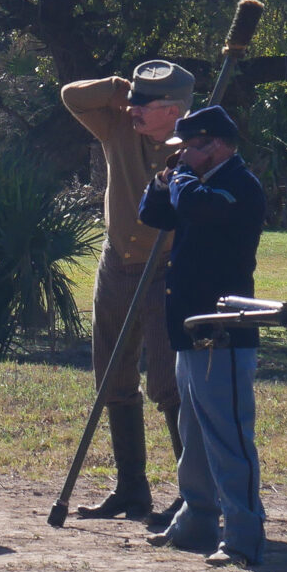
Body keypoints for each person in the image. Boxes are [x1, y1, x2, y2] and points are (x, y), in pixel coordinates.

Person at [60, 60, 194, 521]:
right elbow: (72, 96)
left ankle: (193, 495)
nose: (132, 109)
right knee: (112, 380)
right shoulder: (118, 125)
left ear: (174, 110)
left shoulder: (197, 146)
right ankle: (131, 490)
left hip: (167, 270)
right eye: (132, 100)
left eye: (144, 103)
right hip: (116, 264)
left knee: (166, 382)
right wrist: (119, 87)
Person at [140, 105, 266, 568]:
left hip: (224, 330)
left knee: (229, 437)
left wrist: (178, 181)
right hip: (189, 327)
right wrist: (163, 181)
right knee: (193, 435)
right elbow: (154, 214)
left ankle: (243, 535)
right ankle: (197, 519)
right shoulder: (194, 183)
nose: (180, 159)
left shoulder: (237, 185)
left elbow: (193, 206)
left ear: (214, 145)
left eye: (189, 149)